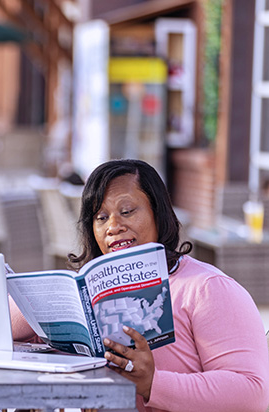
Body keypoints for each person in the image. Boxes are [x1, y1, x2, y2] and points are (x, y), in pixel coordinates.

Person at [67, 159, 269, 412]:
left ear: (158, 212)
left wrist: (154, 383)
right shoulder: (88, 293)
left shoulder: (207, 288)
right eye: (101, 217)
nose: (113, 227)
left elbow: (252, 394)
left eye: (127, 211)